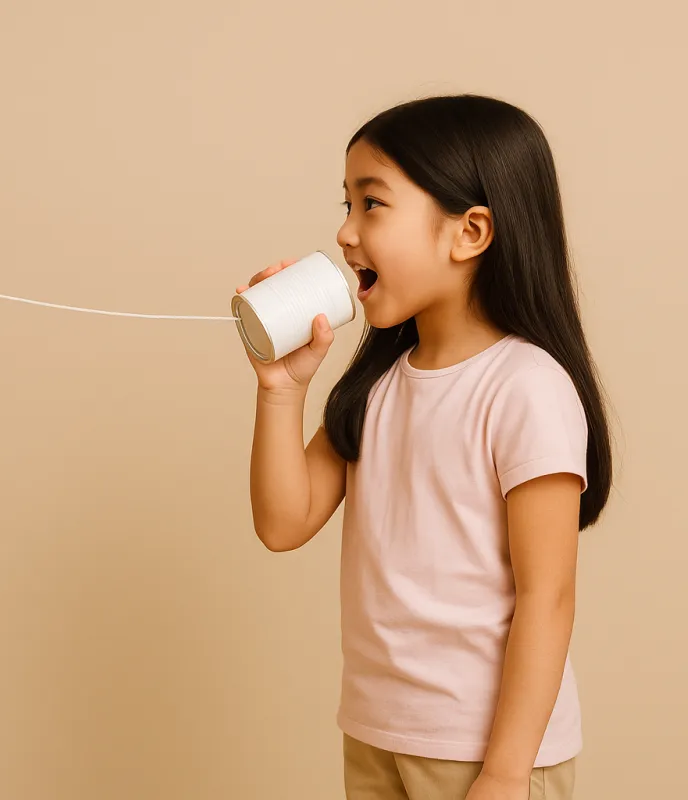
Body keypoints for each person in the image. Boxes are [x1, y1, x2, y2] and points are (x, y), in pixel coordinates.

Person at [239, 94, 612, 800]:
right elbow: (283, 523)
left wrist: (504, 772)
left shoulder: (526, 387)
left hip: (488, 752)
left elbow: (548, 595)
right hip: (379, 733)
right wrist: (281, 391)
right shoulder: (376, 384)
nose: (345, 234)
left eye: (371, 204)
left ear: (468, 233)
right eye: (345, 204)